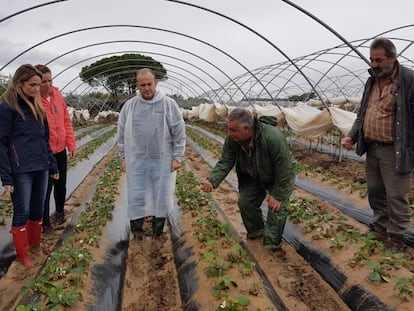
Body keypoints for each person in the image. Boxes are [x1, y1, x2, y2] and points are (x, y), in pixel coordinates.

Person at [341, 37, 414, 250]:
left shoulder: (409, 80)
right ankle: (380, 228)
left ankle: (397, 237)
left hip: (395, 150)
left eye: (379, 60)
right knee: (375, 191)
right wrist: (352, 136)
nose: (373, 64)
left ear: (393, 58)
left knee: (396, 195)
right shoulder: (372, 81)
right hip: (372, 148)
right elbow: (363, 114)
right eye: (372, 59)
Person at [200, 108, 295, 251]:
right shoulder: (232, 140)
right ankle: (257, 232)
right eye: (229, 129)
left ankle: (271, 246)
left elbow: (285, 169)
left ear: (247, 129)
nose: (229, 134)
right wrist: (212, 181)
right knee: (246, 202)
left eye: (233, 130)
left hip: (276, 177)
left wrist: (277, 195)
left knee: (275, 209)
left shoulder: (272, 137)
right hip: (252, 176)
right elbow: (226, 161)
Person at [117, 68, 186, 240]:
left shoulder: (168, 104)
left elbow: (179, 131)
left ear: (155, 83)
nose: (147, 88)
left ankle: (158, 230)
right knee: (136, 193)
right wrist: (124, 157)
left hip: (162, 159)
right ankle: (137, 230)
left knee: (161, 193)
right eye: (143, 85)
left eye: (149, 84)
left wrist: (177, 157)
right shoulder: (130, 106)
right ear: (137, 86)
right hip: (137, 159)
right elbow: (121, 133)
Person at [0, 64, 58, 267]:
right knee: (22, 211)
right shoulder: (7, 107)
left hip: (40, 166)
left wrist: (52, 164)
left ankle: (35, 246)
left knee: (37, 209)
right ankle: (23, 254)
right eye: (32, 85)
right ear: (19, 83)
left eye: (39, 84)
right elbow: (1, 143)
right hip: (21, 169)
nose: (37, 88)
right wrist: (6, 177)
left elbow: (45, 139)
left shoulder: (38, 106)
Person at [35, 65, 76, 233]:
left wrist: (71, 143)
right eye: (43, 81)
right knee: (46, 187)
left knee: (61, 184)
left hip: (60, 150)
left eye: (49, 80)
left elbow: (66, 120)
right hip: (44, 152)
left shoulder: (57, 96)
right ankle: (45, 223)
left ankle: (59, 211)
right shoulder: (34, 100)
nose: (47, 84)